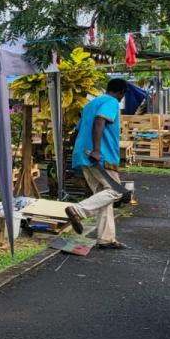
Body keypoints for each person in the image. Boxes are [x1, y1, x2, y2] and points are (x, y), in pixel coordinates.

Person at [65, 78, 128, 250]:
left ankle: (106, 239)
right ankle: (78, 210)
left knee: (102, 195)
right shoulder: (111, 101)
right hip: (100, 156)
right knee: (116, 191)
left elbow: (77, 131)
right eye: (123, 95)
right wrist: (97, 150)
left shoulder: (90, 104)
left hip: (83, 154)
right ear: (121, 92)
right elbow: (100, 122)